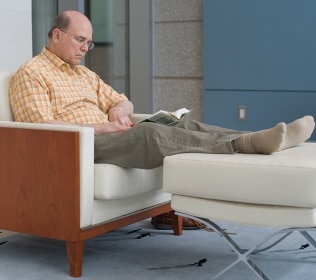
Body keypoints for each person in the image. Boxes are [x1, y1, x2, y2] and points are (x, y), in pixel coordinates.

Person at [9, 11, 315, 229]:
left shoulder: (84, 74)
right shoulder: (32, 73)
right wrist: (104, 127)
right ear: (57, 35)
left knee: (176, 122)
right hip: (78, 146)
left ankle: (256, 137)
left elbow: (121, 100)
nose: (85, 49)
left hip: (111, 134)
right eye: (80, 40)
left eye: (88, 43)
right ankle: (246, 145)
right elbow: (41, 130)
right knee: (151, 135)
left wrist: (119, 110)